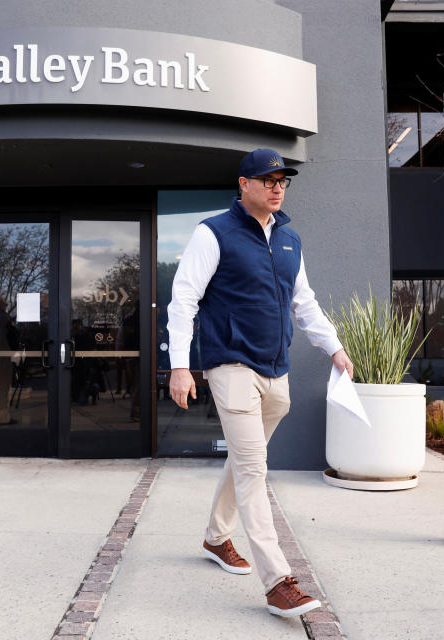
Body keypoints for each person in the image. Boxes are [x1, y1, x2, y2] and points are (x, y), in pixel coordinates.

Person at [167, 149, 354, 617]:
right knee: (254, 468)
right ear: (243, 184)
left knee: (244, 457)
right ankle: (278, 581)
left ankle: (215, 537)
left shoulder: (290, 240)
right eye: (267, 179)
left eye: (282, 181)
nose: (277, 187)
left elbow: (304, 302)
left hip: (275, 370)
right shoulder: (214, 233)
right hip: (229, 365)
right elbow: (183, 299)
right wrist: (180, 365)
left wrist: (334, 347)